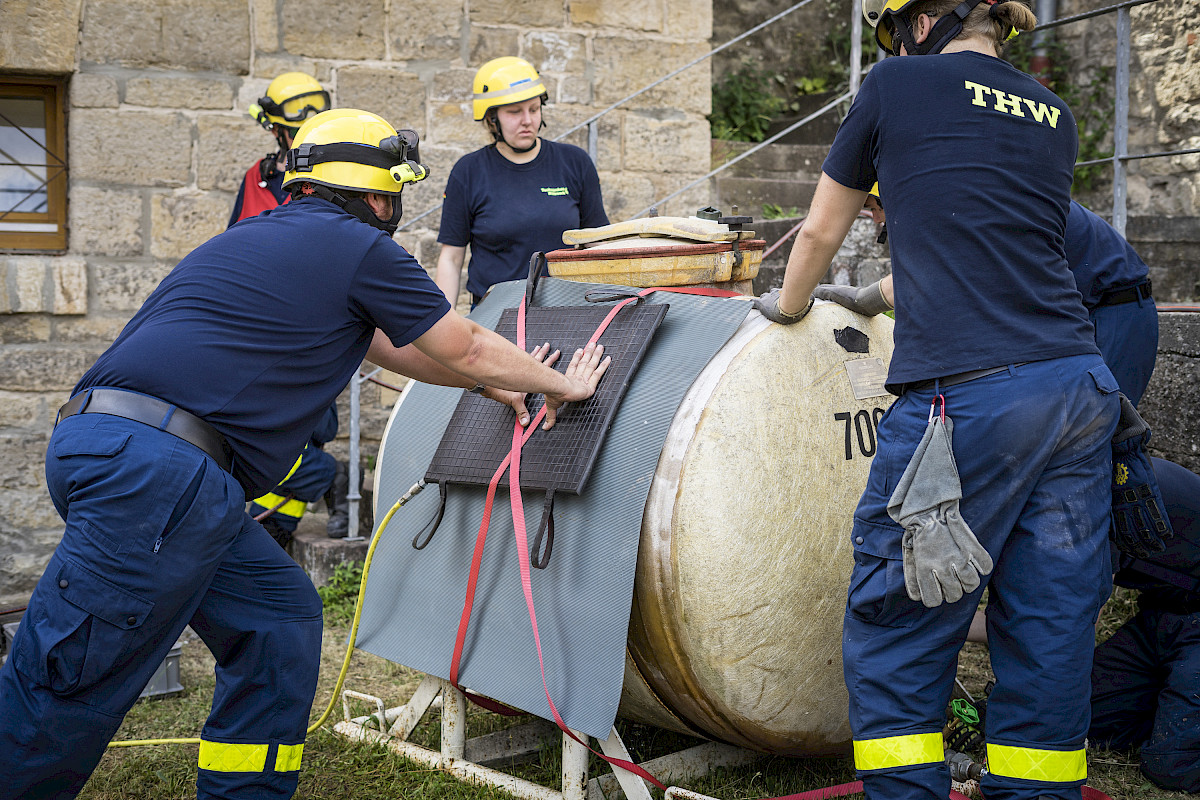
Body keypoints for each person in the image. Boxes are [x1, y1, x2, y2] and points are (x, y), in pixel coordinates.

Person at [0, 108, 609, 800]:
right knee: (69, 678)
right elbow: (460, 340)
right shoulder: (359, 249)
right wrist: (562, 382)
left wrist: (499, 388)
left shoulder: (263, 237)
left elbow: (400, 347)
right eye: (393, 192)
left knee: (277, 616)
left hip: (131, 457)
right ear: (376, 196)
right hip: (159, 476)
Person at [752, 1, 1121, 798]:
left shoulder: (895, 83)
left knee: (902, 613)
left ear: (922, 24)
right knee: (1051, 620)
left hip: (970, 398)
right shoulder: (1050, 111)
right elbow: (995, 238)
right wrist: (882, 293)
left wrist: (788, 306)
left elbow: (816, 233)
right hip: (1077, 387)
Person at [816, 194, 1159, 404]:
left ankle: (1130, 521)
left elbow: (925, 279)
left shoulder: (959, 204)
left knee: (1101, 438)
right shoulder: (970, 193)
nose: (873, 217)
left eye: (874, 207)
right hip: (1085, 311)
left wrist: (855, 298)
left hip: (1117, 309)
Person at [228, 72, 350, 541]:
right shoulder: (256, 181)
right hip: (260, 330)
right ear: (276, 129)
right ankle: (323, 479)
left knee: (307, 429)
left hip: (314, 328)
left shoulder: (332, 181)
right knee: (265, 433)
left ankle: (279, 527)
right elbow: (233, 243)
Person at [435, 56, 609, 308]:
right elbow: (451, 259)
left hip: (567, 313)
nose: (527, 120)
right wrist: (444, 328)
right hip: (494, 317)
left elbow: (599, 245)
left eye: (534, 109)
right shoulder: (469, 171)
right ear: (491, 118)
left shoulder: (575, 162)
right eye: (515, 112)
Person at [1090, 456, 1200, 793]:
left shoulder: (1090, 497)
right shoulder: (1077, 471)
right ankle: (1174, 701)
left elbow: (1072, 627)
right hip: (1164, 616)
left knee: (1173, 765)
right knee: (1088, 721)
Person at [229, 71, 330, 226]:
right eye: (296, 132)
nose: (308, 139)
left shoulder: (332, 178)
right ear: (275, 130)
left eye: (314, 130)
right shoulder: (254, 178)